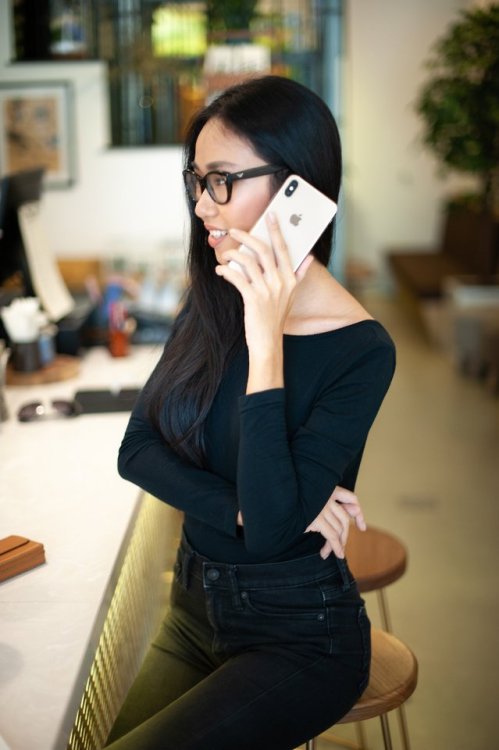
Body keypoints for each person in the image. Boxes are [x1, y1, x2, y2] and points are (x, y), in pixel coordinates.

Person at [105, 75, 396, 750]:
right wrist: (246, 505)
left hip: (299, 635)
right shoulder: (211, 298)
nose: (204, 206)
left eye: (223, 180)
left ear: (298, 189)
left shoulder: (361, 350)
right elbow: (137, 449)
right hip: (192, 611)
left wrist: (265, 339)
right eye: (197, 180)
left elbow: (271, 534)